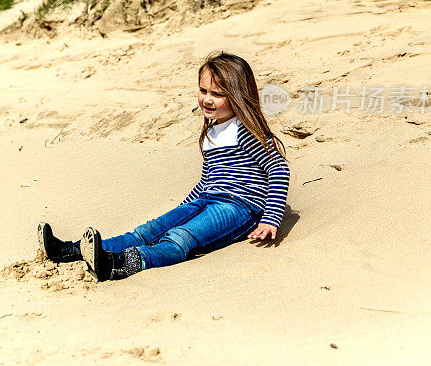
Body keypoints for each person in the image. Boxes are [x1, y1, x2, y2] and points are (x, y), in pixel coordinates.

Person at [37, 51, 290, 281]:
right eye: (203, 91)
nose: (207, 100)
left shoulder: (244, 131)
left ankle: (120, 263)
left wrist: (271, 217)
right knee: (151, 229)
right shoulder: (212, 133)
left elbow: (278, 169)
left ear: (238, 95)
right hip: (207, 200)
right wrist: (184, 208)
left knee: (181, 238)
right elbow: (206, 181)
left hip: (239, 207)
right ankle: (72, 250)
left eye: (217, 94)